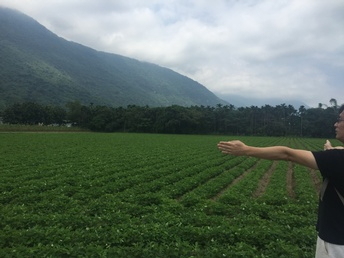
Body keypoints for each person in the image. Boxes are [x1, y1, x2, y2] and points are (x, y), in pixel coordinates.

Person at [217, 104, 344, 258]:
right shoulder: (336, 158)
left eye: (340, 120)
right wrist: (331, 151)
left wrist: (246, 150)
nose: (335, 124)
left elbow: (286, 154)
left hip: (335, 242)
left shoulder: (336, 160)